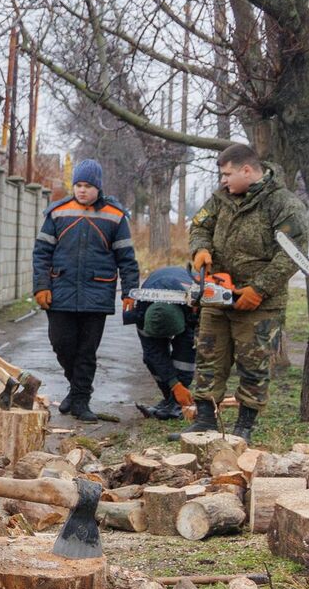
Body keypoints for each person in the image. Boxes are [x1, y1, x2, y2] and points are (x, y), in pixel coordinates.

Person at [187, 143, 309, 442]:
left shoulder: (284, 204)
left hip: (259, 303)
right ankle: (204, 420)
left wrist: (259, 288)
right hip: (218, 293)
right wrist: (200, 249)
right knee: (208, 357)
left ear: (246, 170)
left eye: (227, 174)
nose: (223, 180)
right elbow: (200, 226)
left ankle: (244, 426)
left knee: (253, 363)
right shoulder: (220, 198)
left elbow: (291, 255)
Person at [33, 159, 140, 422]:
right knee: (61, 343)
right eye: (78, 185)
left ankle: (81, 400)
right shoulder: (57, 213)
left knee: (86, 350)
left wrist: (130, 291)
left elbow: (127, 258)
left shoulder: (115, 216)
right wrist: (41, 286)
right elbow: (42, 253)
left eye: (88, 186)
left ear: (98, 187)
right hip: (61, 291)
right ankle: (76, 388)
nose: (82, 190)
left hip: (98, 293)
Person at [124, 265, 199, 420]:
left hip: (185, 304)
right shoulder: (141, 312)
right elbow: (154, 354)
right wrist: (174, 385)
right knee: (152, 359)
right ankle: (170, 398)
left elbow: (188, 353)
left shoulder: (194, 306)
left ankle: (176, 402)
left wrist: (182, 385)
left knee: (184, 358)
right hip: (153, 299)